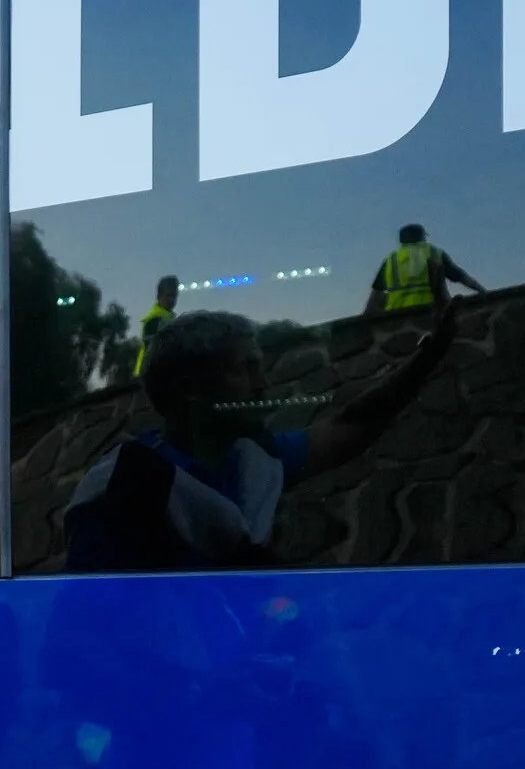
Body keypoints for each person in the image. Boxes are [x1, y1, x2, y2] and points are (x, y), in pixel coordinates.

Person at [66, 305, 461, 574]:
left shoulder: (255, 462)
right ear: (190, 389)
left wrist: (427, 358)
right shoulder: (123, 489)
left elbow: (351, 425)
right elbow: (92, 636)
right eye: (246, 369)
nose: (264, 385)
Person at [365, 224, 484, 315]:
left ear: (401, 240)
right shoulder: (434, 253)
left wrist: (364, 317)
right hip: (431, 310)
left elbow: (375, 294)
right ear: (422, 237)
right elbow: (461, 277)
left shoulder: (391, 259)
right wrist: (483, 292)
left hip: (397, 314)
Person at [133, 275, 178, 377]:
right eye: (168, 295)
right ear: (158, 296)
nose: (171, 299)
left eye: (174, 296)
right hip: (149, 376)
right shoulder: (154, 320)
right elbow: (152, 353)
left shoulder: (170, 320)